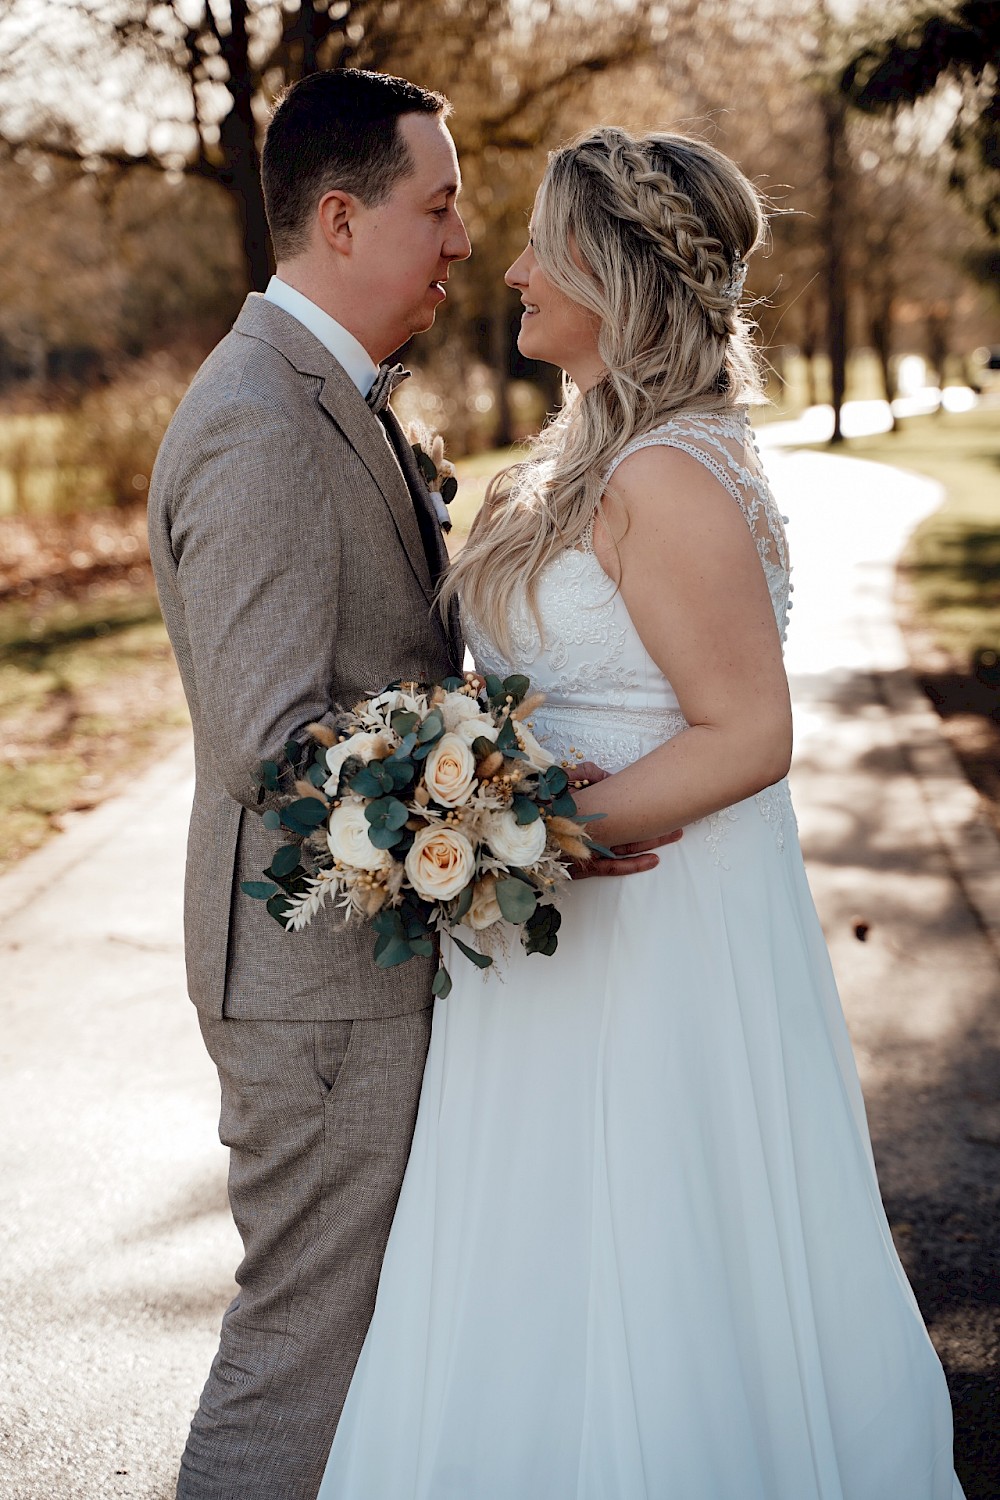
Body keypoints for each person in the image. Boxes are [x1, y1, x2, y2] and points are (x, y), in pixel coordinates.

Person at [319, 127, 967, 1499]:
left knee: (658, 1239)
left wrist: (534, 822)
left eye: (546, 244)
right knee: (541, 1250)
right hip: (555, 931)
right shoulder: (583, 463)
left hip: (658, 927)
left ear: (613, 273)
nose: (512, 268)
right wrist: (479, 794)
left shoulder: (667, 476)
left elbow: (750, 732)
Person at [148, 72, 664, 1500]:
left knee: (369, 1346)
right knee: (302, 1349)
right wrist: (521, 809)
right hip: (312, 988)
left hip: (353, 976)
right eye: (436, 208)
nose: (460, 241)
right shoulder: (261, 419)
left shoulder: (334, 393)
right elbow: (273, 738)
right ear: (339, 218)